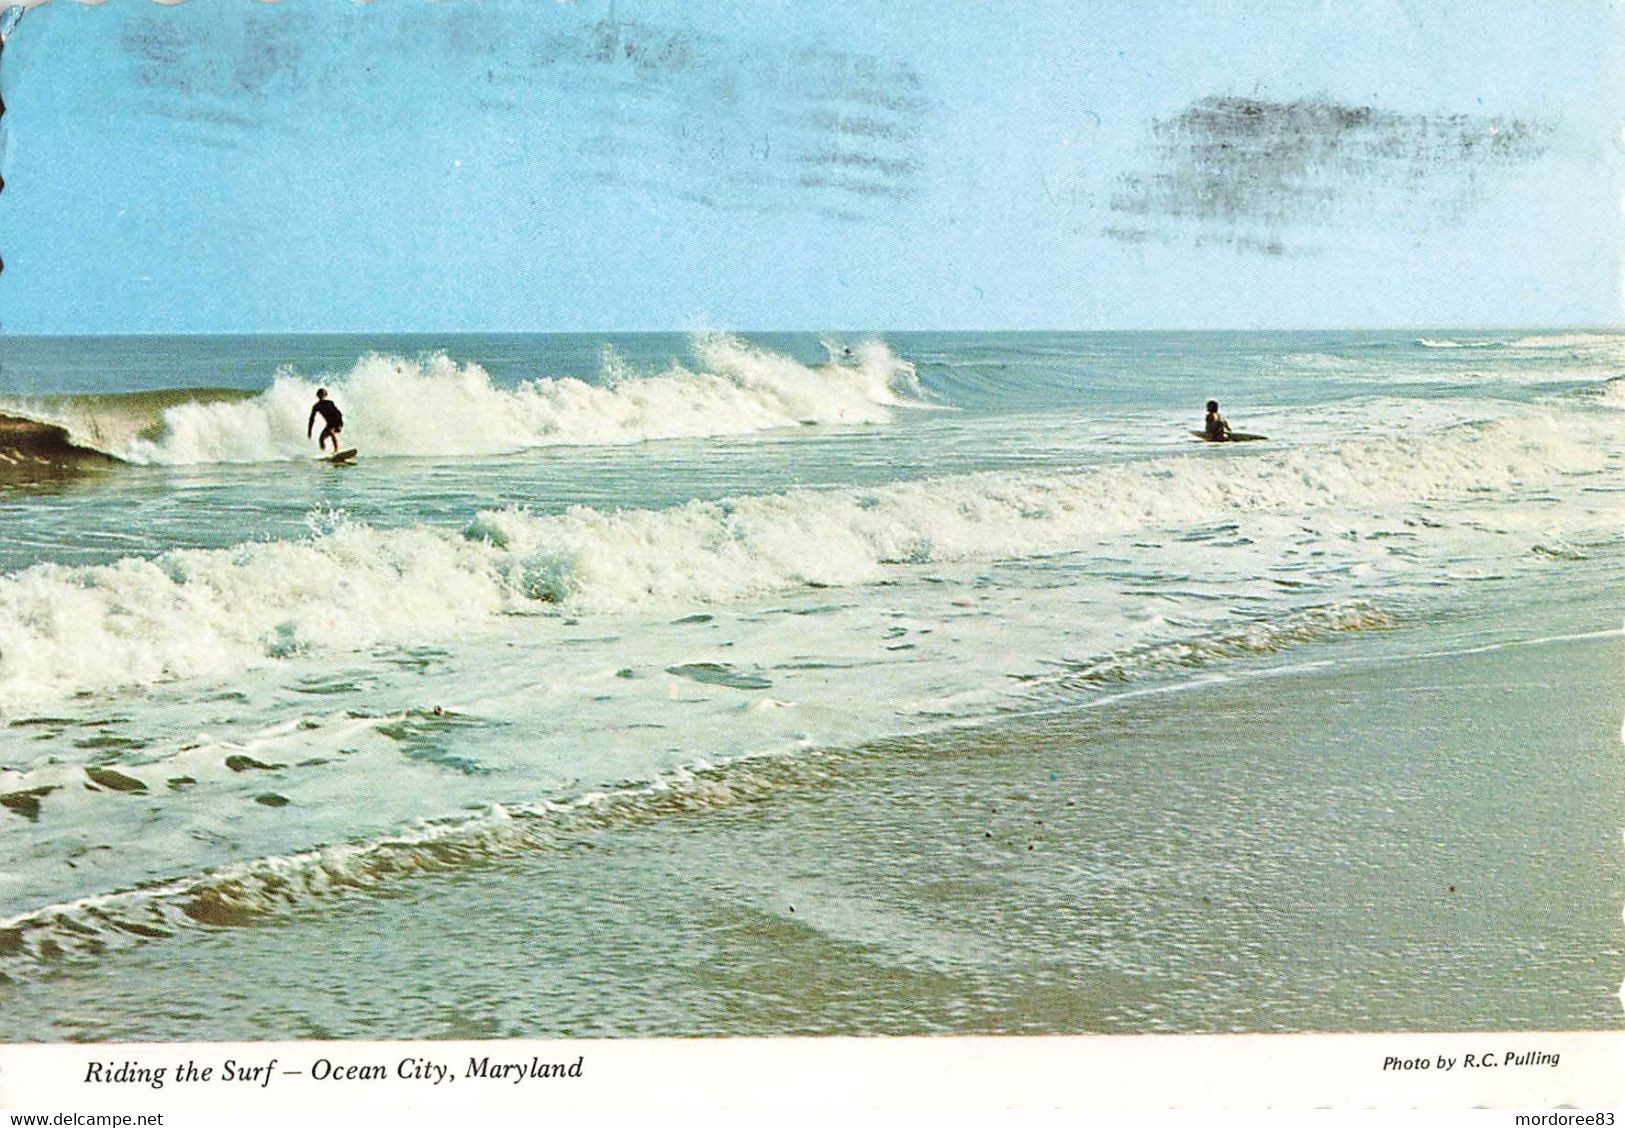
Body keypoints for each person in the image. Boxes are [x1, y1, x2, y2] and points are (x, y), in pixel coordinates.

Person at [307, 388, 344, 454]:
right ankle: (323, 453)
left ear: (325, 395)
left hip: (337, 422)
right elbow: (311, 419)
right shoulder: (316, 406)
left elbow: (338, 413)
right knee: (321, 439)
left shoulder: (329, 403)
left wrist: (340, 424)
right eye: (320, 394)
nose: (321, 395)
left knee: (330, 431)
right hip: (329, 424)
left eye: (323, 394)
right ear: (317, 395)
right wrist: (309, 431)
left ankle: (336, 450)